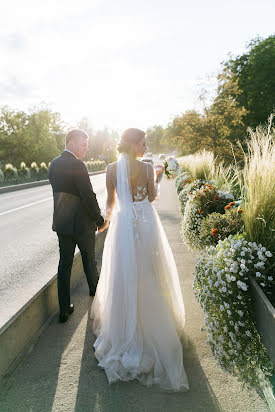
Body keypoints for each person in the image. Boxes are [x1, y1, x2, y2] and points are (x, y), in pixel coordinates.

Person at [91, 128, 189, 391]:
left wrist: (105, 223)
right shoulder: (147, 169)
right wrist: (157, 175)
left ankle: (125, 330)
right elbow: (153, 197)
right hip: (146, 223)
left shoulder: (111, 169)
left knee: (124, 274)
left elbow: (111, 202)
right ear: (134, 145)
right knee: (152, 272)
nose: (146, 148)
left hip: (123, 227)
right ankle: (156, 328)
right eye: (143, 144)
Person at [49, 129, 104, 323]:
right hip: (82, 225)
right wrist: (99, 219)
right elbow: (88, 195)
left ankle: (64, 309)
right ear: (70, 142)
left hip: (62, 224)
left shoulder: (53, 164)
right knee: (89, 260)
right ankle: (95, 296)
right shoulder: (78, 165)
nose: (86, 148)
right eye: (83, 144)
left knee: (64, 265)